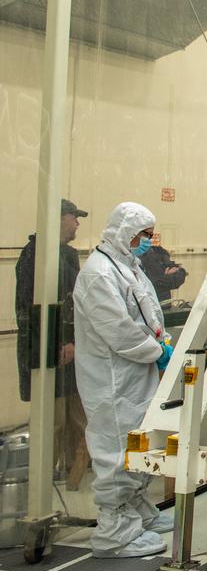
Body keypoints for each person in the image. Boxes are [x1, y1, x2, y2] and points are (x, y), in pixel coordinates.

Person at [73, 202, 175, 558]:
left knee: (139, 443)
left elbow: (147, 312)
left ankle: (137, 511)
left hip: (135, 372)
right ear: (123, 231)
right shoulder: (99, 273)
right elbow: (118, 329)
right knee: (117, 448)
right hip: (112, 378)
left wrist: (161, 341)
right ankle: (114, 531)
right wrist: (155, 351)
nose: (146, 241)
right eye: (142, 235)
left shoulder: (128, 266)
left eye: (150, 235)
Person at [14, 199, 91, 490]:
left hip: (71, 350)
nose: (77, 224)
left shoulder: (68, 255)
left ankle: (74, 473)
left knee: (76, 417)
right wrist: (58, 342)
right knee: (53, 419)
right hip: (48, 351)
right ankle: (43, 482)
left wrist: (75, 340)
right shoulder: (34, 255)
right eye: (74, 217)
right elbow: (30, 308)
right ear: (58, 219)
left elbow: (75, 300)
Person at [139, 238, 187, 304]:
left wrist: (164, 279)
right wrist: (166, 277)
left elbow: (180, 275)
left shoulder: (158, 250)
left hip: (165, 304)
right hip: (146, 304)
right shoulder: (132, 257)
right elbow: (147, 285)